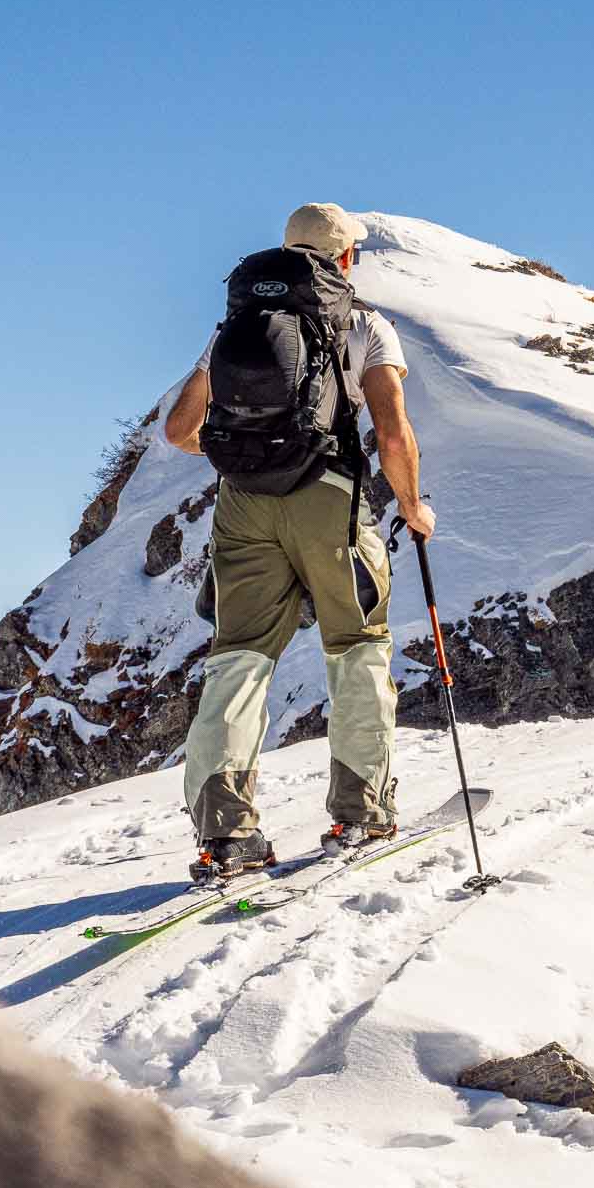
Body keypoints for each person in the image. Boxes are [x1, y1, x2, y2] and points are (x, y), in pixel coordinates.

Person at [164, 203, 437, 881]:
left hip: (242, 504)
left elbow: (178, 430)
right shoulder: (365, 325)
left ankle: (226, 836)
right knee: (357, 648)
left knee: (239, 659)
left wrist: (250, 457)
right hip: (330, 499)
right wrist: (413, 504)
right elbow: (393, 429)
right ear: (344, 259)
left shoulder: (235, 326)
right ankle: (361, 811)